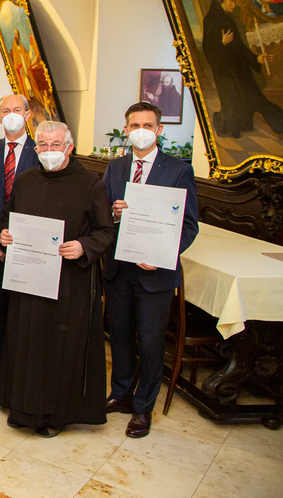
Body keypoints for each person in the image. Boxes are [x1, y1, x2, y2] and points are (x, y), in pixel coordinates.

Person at [0, 121, 116, 438]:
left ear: (69, 147)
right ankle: (20, 407)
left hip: (68, 284)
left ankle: (55, 415)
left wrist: (83, 246)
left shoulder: (91, 184)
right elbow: (8, 216)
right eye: (43, 146)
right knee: (25, 341)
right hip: (28, 278)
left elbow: (106, 231)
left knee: (56, 347)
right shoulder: (25, 180)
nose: (49, 151)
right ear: (36, 149)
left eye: (55, 145)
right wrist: (6, 234)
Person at [103, 101, 199, 438]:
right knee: (120, 335)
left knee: (151, 340)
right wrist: (113, 213)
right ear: (126, 130)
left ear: (159, 129)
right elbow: (102, 218)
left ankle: (144, 408)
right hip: (119, 268)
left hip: (154, 273)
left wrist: (161, 255)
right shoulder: (115, 168)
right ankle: (121, 393)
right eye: (134, 125)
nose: (140, 130)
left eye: (148, 124)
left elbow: (189, 226)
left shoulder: (177, 170)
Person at [0, 94, 38, 387]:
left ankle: (21, 363)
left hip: (28, 243)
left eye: (17, 110)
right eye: (5, 111)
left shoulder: (42, 151)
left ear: (27, 115)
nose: (11, 115)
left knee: (24, 306)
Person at [202, 0, 283, 137]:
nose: (234, 4)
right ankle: (221, 122)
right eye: (231, 0)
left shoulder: (228, 18)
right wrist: (222, 43)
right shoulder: (211, 19)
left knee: (257, 99)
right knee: (232, 108)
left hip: (240, 70)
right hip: (226, 74)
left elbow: (239, 46)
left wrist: (256, 58)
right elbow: (207, 49)